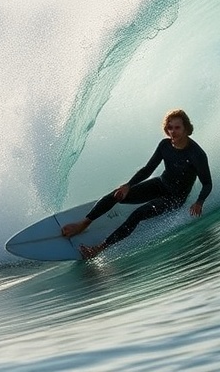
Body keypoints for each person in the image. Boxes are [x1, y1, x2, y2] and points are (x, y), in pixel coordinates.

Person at [61, 109, 212, 259]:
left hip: (175, 197)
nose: (173, 131)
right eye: (170, 127)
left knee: (138, 214)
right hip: (160, 184)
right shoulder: (165, 145)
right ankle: (83, 224)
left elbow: (207, 183)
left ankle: (99, 249)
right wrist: (128, 185)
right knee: (117, 195)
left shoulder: (196, 154)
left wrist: (199, 202)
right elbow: (148, 169)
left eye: (177, 127)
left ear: (186, 128)